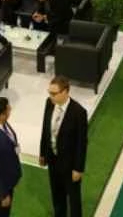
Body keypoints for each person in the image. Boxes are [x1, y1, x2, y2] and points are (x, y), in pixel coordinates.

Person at [40, 76, 88, 217]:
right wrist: (42, 153)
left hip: (70, 165)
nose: (51, 96)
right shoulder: (49, 104)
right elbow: (45, 130)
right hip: (53, 160)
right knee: (57, 194)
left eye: (54, 93)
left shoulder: (79, 112)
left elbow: (82, 143)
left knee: (74, 199)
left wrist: (78, 168)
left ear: (65, 91)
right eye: (49, 92)